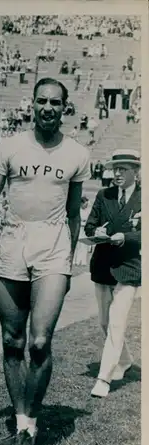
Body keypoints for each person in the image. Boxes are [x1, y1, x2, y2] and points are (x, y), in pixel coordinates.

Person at [0, 77, 90, 445]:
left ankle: (31, 420)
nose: (48, 107)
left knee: (40, 341)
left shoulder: (77, 154)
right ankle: (22, 423)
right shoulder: (9, 147)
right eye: (41, 101)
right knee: (12, 342)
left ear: (65, 108)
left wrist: (66, 260)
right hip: (13, 241)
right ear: (32, 104)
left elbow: (74, 213)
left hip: (53, 244)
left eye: (55, 102)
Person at [84, 149, 141, 398]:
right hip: (102, 265)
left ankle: (104, 378)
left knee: (117, 322)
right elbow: (89, 225)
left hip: (129, 267)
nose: (117, 173)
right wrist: (96, 231)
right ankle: (126, 360)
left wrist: (125, 237)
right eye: (115, 168)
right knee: (105, 322)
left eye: (123, 169)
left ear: (136, 172)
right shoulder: (103, 195)